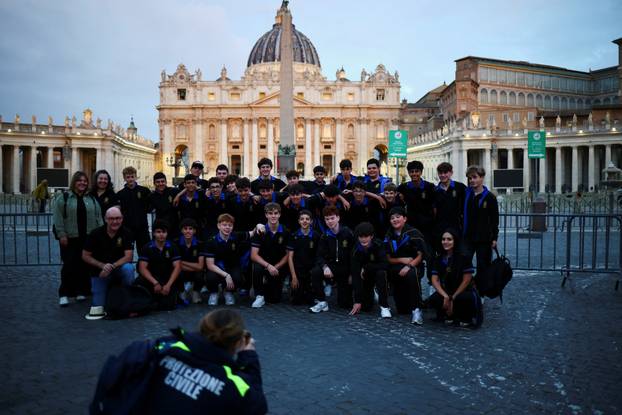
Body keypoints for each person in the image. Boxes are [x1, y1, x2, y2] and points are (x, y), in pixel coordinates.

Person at [141, 309, 268, 414]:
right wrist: (248, 355)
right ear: (236, 343)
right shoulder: (232, 385)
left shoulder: (164, 347)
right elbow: (257, 407)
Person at [53, 171, 103, 306]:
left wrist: (101, 234)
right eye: (79, 181)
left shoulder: (91, 199)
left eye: (85, 181)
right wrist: (61, 234)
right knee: (69, 265)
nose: (82, 183)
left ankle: (81, 291)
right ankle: (64, 293)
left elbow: (99, 218)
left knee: (84, 266)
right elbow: (57, 218)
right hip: (70, 237)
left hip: (87, 237)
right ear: (74, 182)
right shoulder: (63, 198)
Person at [82, 206, 135, 320]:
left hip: (118, 269)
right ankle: (108, 293)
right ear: (105, 219)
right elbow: (85, 256)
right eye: (111, 219)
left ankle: (127, 295)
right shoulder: (95, 234)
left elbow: (128, 257)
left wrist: (111, 267)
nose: (115, 221)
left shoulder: (127, 233)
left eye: (118, 218)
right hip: (99, 272)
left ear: (122, 218)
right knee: (98, 307)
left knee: (129, 268)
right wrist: (102, 266)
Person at [205, 214, 264, 306]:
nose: (227, 227)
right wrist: (226, 275)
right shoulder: (211, 241)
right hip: (216, 268)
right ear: (218, 226)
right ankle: (214, 292)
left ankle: (228, 291)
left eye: (230, 225)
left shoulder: (236, 236)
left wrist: (259, 225)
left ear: (232, 227)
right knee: (210, 277)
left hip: (232, 266)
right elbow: (210, 265)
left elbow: (253, 232)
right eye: (224, 225)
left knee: (238, 278)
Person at [429, 228, 482, 328]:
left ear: (455, 241)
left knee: (465, 298)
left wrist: (452, 297)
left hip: (463, 291)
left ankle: (465, 317)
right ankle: (449, 315)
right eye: (443, 239)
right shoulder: (438, 258)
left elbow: (466, 281)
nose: (445, 242)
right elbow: (434, 280)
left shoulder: (464, 257)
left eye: (449, 239)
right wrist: (445, 296)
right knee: (434, 299)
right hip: (447, 290)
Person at [384, 207, 427, 325]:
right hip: (397, 265)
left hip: (414, 265)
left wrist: (409, 266)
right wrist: (401, 260)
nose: (395, 220)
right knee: (402, 310)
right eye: (392, 218)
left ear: (405, 219)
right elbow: (388, 258)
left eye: (398, 217)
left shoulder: (414, 233)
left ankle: (417, 310)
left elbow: (420, 255)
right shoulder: (389, 235)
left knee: (411, 274)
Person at [310, 206, 354, 313]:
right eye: (327, 219)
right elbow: (319, 256)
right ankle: (322, 301)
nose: (330, 221)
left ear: (338, 218)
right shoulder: (325, 236)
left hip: (345, 269)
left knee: (345, 304)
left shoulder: (348, 233)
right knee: (315, 272)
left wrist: (352, 273)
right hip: (331, 267)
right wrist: (325, 267)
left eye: (332, 218)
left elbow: (354, 256)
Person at [250, 203, 290, 308]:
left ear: (279, 215)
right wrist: (268, 266)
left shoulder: (285, 231)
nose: (273, 216)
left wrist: (275, 267)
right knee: (257, 268)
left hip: (278, 265)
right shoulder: (260, 231)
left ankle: (270, 285)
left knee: (274, 299)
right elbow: (254, 255)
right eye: (270, 213)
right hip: (264, 263)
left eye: (276, 213)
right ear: (266, 215)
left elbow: (288, 255)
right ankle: (259, 295)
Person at [462, 165, 499, 278]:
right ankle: (467, 289)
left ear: (482, 178)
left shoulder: (490, 197)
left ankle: (481, 292)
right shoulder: (466, 194)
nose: (472, 180)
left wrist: (494, 238)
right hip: (468, 237)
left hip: (484, 239)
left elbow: (494, 220)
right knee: (464, 264)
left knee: (483, 266)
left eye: (474, 177)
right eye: (470, 178)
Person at [136, 220, 182, 310]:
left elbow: (177, 267)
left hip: (167, 279)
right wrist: (155, 283)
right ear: (153, 233)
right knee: (140, 282)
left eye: (164, 232)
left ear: (167, 233)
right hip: (152, 280)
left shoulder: (173, 247)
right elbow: (142, 268)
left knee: (167, 306)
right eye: (158, 232)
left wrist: (168, 285)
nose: (161, 234)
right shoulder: (146, 247)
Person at [350, 222, 391, 318]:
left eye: (366, 236)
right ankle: (372, 292)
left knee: (381, 273)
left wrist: (366, 267)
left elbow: (385, 264)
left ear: (371, 236)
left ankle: (384, 306)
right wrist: (357, 301)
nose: (363, 239)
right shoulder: (355, 250)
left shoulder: (378, 245)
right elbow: (356, 275)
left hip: (377, 273)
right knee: (366, 308)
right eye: (361, 237)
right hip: (365, 277)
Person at [397, 160, 435, 246]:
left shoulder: (430, 187)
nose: (414, 174)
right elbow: (390, 193)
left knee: (427, 248)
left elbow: (435, 206)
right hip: (411, 224)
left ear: (421, 172)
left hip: (427, 225)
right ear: (409, 173)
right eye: (411, 172)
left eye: (417, 171)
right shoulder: (403, 187)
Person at [287, 210, 320, 305]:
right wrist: (293, 276)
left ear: (311, 221)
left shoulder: (316, 236)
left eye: (307, 219)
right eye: (302, 219)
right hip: (298, 271)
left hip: (310, 271)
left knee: (310, 300)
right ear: (298, 221)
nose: (304, 221)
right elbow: (290, 257)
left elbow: (319, 256)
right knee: (296, 301)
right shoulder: (294, 236)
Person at [433, 162, 467, 254]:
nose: (443, 175)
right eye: (440, 173)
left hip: (456, 227)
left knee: (458, 254)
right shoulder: (435, 191)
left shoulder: (460, 187)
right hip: (441, 228)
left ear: (451, 173)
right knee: (442, 254)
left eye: (445, 172)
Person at [116, 166, 152, 251]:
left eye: (132, 176)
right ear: (124, 178)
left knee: (145, 252)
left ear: (136, 177)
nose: (130, 179)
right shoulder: (120, 194)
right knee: (127, 251)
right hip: (127, 228)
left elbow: (150, 205)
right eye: (128, 177)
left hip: (142, 227)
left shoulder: (144, 191)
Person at [176, 218, 207, 305]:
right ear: (181, 230)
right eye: (185, 229)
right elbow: (175, 265)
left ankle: (195, 292)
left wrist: (182, 262)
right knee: (176, 272)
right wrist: (194, 266)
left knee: (200, 274)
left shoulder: (200, 244)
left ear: (194, 231)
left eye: (190, 229)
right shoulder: (176, 243)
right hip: (182, 271)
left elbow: (200, 266)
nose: (188, 231)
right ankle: (182, 291)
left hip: (193, 271)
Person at [177, 174, 209, 239]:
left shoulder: (202, 197)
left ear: (196, 184)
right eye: (188, 183)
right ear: (184, 185)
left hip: (198, 229)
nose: (191, 184)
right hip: (184, 230)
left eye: (193, 182)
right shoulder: (180, 199)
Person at [150, 172, 180, 239]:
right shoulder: (152, 196)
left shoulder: (173, 191)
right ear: (154, 183)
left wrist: (178, 195)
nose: (160, 184)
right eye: (158, 182)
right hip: (160, 228)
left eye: (162, 181)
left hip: (174, 227)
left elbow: (187, 188)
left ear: (166, 182)